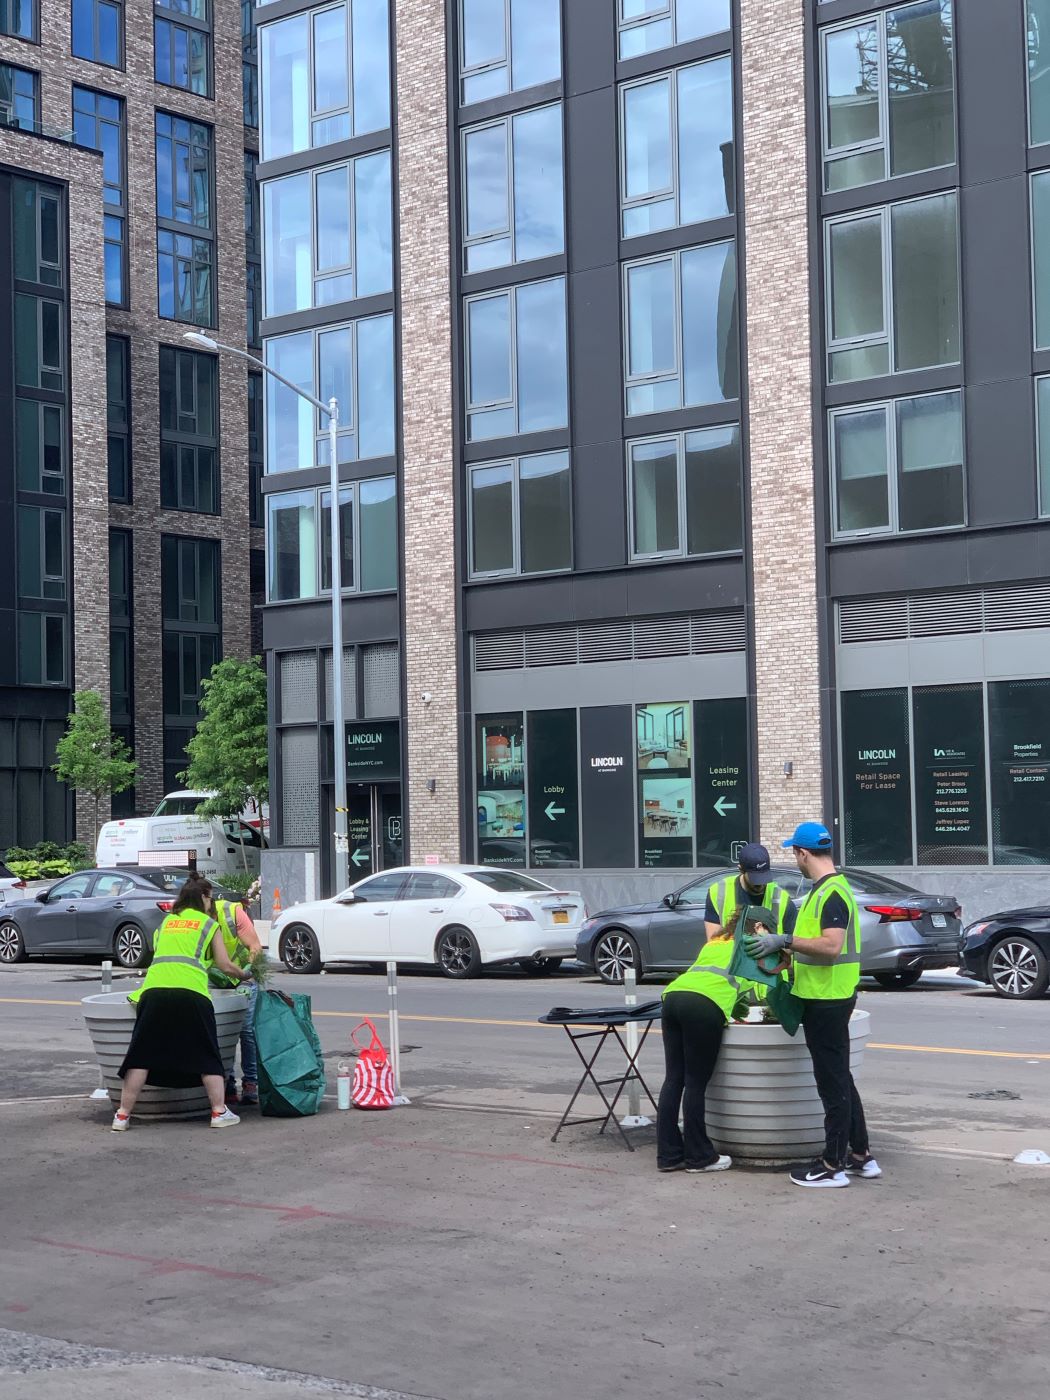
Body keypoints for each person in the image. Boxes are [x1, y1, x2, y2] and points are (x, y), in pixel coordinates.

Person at [744, 821, 880, 1188]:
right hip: (829, 994)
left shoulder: (830, 893)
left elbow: (832, 946)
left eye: (795, 854)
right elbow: (821, 951)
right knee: (840, 1077)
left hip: (827, 1000)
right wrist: (790, 957)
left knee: (831, 1080)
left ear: (803, 854)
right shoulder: (829, 890)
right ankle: (859, 1155)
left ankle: (831, 1164)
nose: (796, 860)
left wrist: (784, 938)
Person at [112, 872, 249, 1132]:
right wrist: (244, 973)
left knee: (140, 1057)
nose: (212, 903)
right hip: (191, 994)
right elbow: (224, 964)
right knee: (208, 1055)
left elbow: (160, 952)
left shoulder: (167, 922)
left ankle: (122, 1116)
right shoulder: (209, 925)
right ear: (204, 897)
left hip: (153, 993)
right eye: (211, 898)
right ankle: (219, 1112)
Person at [656, 922, 760, 1174]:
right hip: (704, 1006)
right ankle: (699, 1156)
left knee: (674, 1079)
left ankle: (668, 1155)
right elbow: (761, 990)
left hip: (673, 998)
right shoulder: (751, 947)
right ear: (757, 928)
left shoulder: (715, 942)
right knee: (695, 1082)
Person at [212, 892, 263, 1106]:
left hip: (243, 976)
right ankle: (228, 1082)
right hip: (214, 978)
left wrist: (247, 973)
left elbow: (255, 947)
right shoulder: (195, 918)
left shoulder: (231, 912)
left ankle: (251, 1082)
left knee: (246, 1029)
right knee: (222, 1031)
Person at [704, 842, 797, 942]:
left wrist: (774, 944)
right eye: (755, 879)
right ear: (741, 870)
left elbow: (792, 945)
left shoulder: (782, 899)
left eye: (764, 877)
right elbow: (713, 943)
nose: (761, 884)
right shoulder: (718, 893)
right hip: (730, 956)